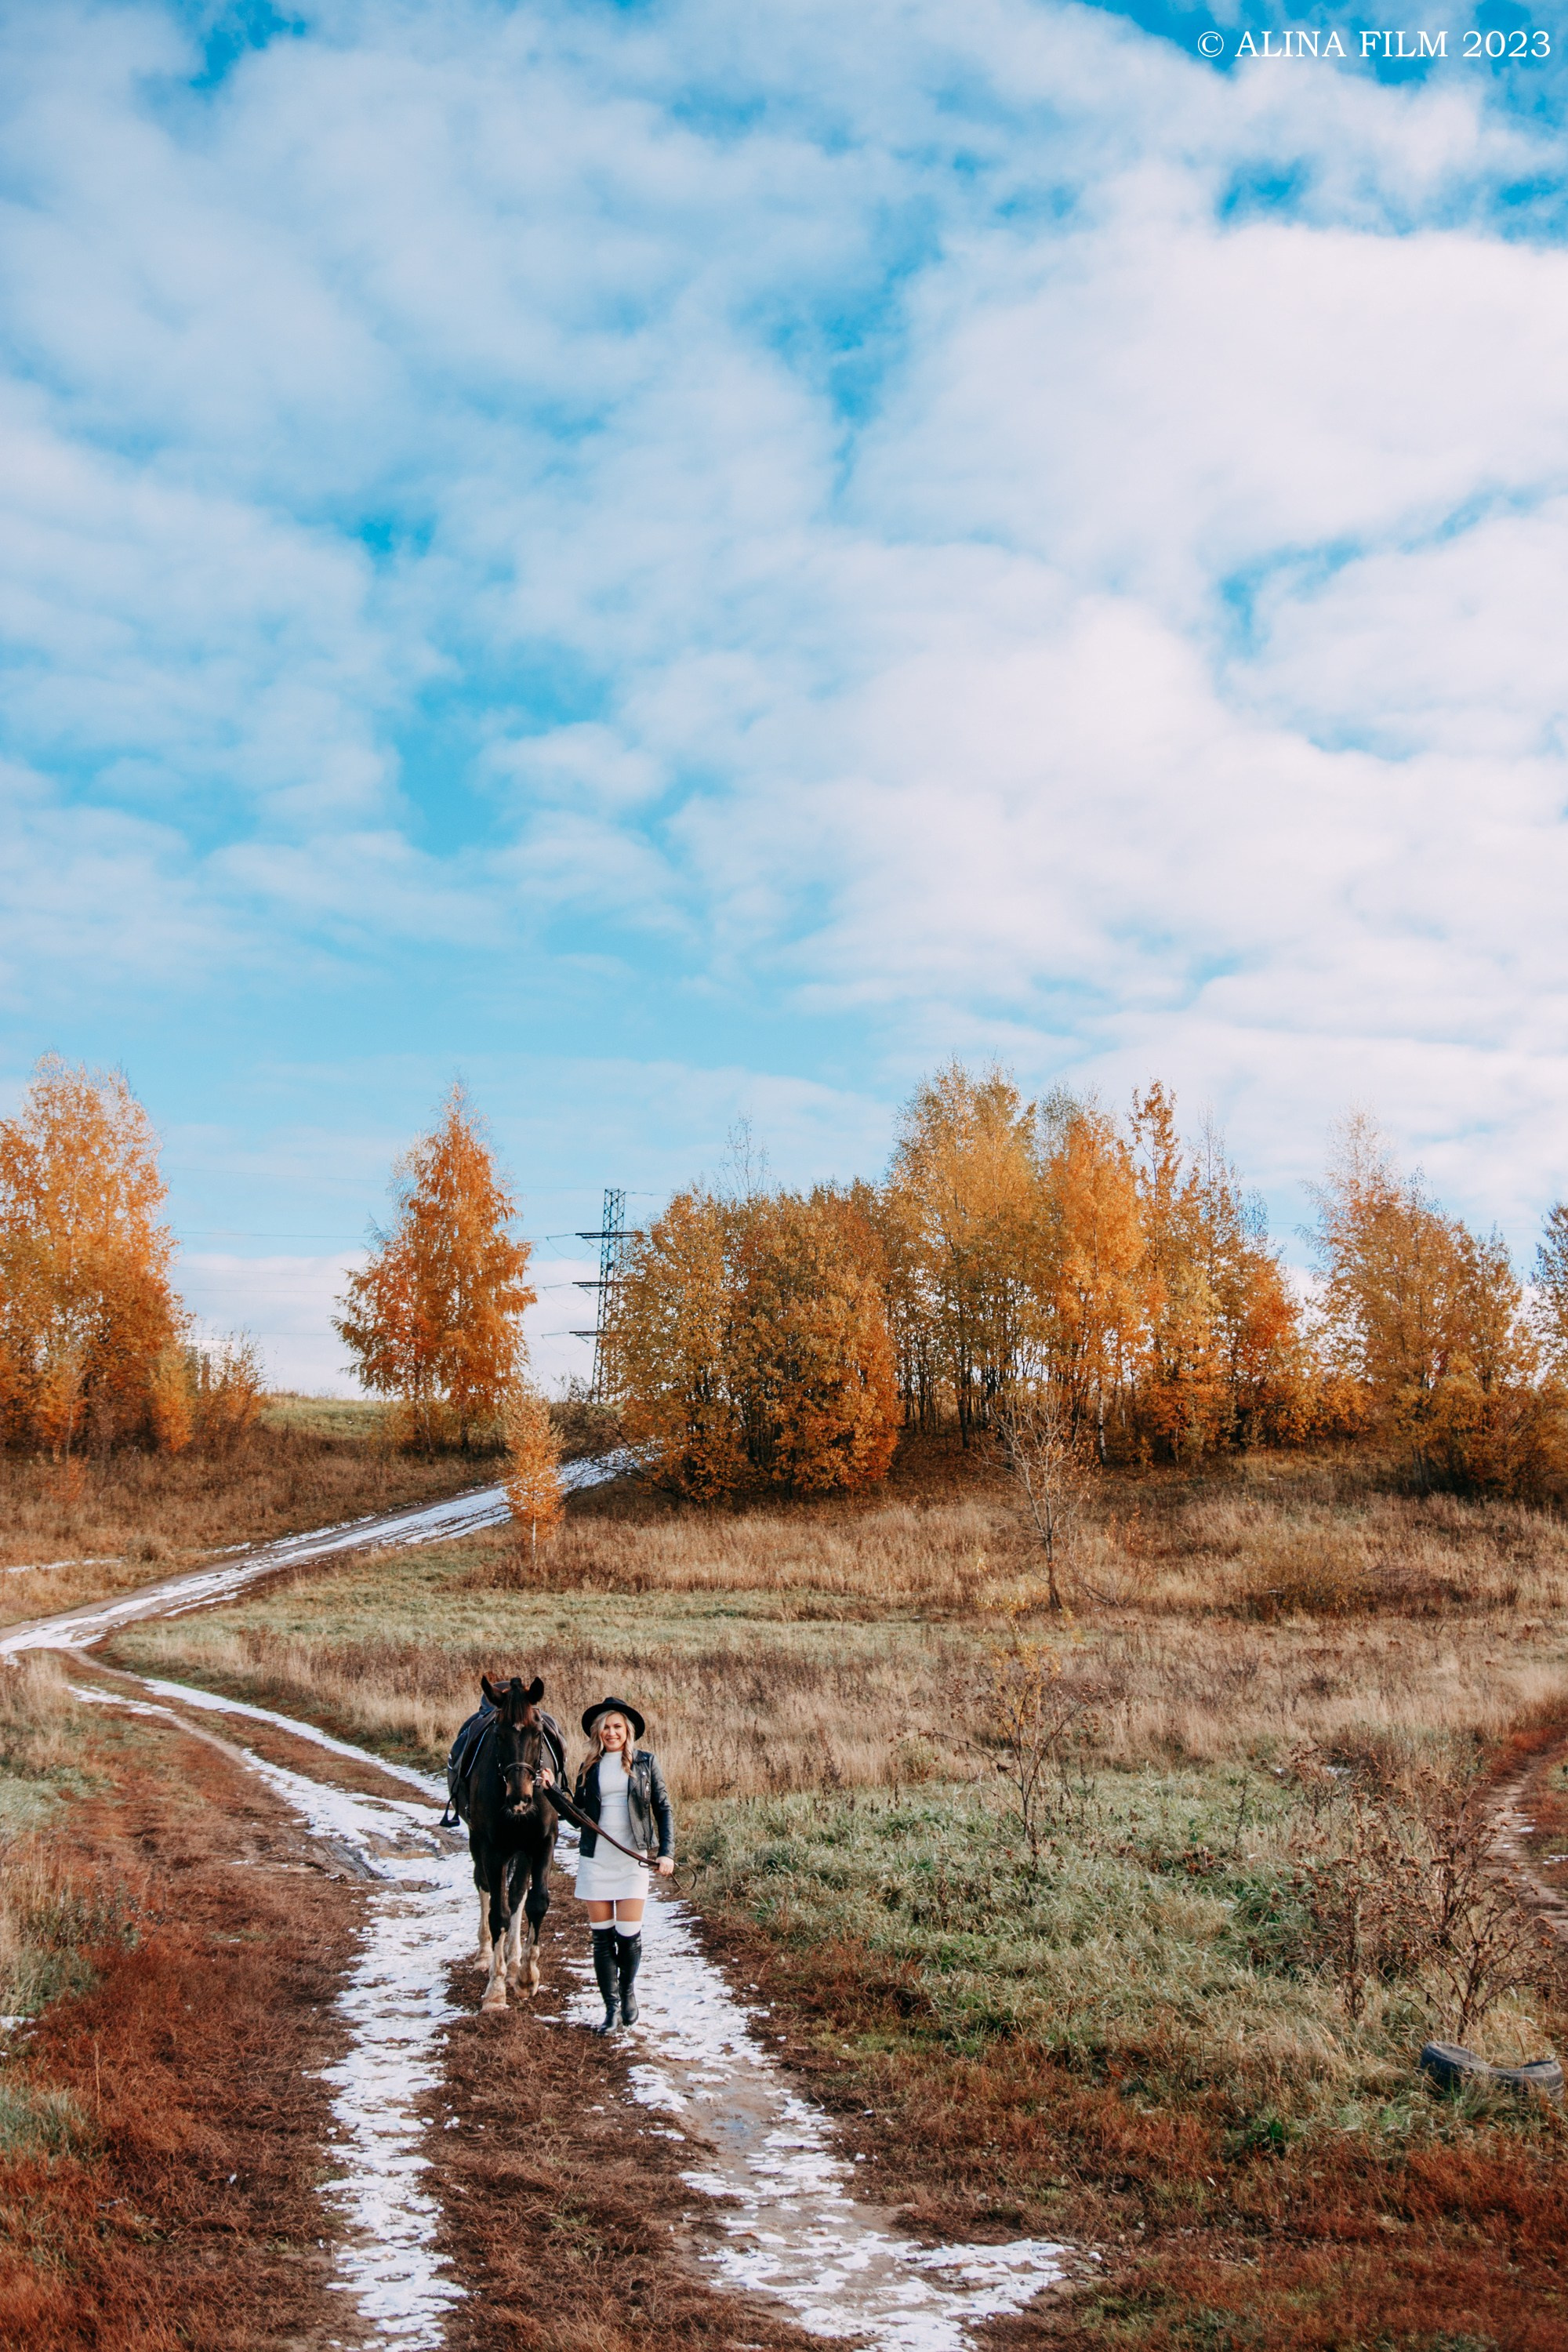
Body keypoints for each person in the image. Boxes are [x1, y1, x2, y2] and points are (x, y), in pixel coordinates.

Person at [570, 1696, 673, 2032]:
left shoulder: (646, 1763)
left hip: (632, 1860)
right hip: (596, 1859)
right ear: (597, 1732)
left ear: (627, 1731)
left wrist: (666, 1852)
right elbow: (576, 1817)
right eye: (605, 1727)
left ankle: (627, 1992)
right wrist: (551, 1791)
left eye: (617, 1727)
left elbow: (663, 1808)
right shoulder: (589, 1767)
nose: (611, 1733)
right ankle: (611, 2009)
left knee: (628, 1935)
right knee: (602, 1938)